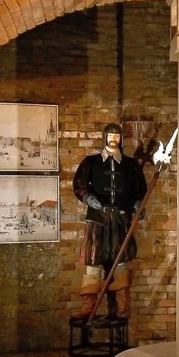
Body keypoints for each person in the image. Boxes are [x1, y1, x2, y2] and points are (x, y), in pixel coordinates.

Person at [71, 123, 148, 319]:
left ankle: (122, 309)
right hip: (98, 220)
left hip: (121, 220)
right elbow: (79, 185)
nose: (114, 139)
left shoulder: (131, 165)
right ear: (105, 137)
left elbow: (140, 190)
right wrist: (89, 199)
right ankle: (88, 308)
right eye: (111, 135)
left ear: (121, 138)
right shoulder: (91, 162)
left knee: (121, 263)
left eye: (117, 135)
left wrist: (137, 204)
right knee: (93, 262)